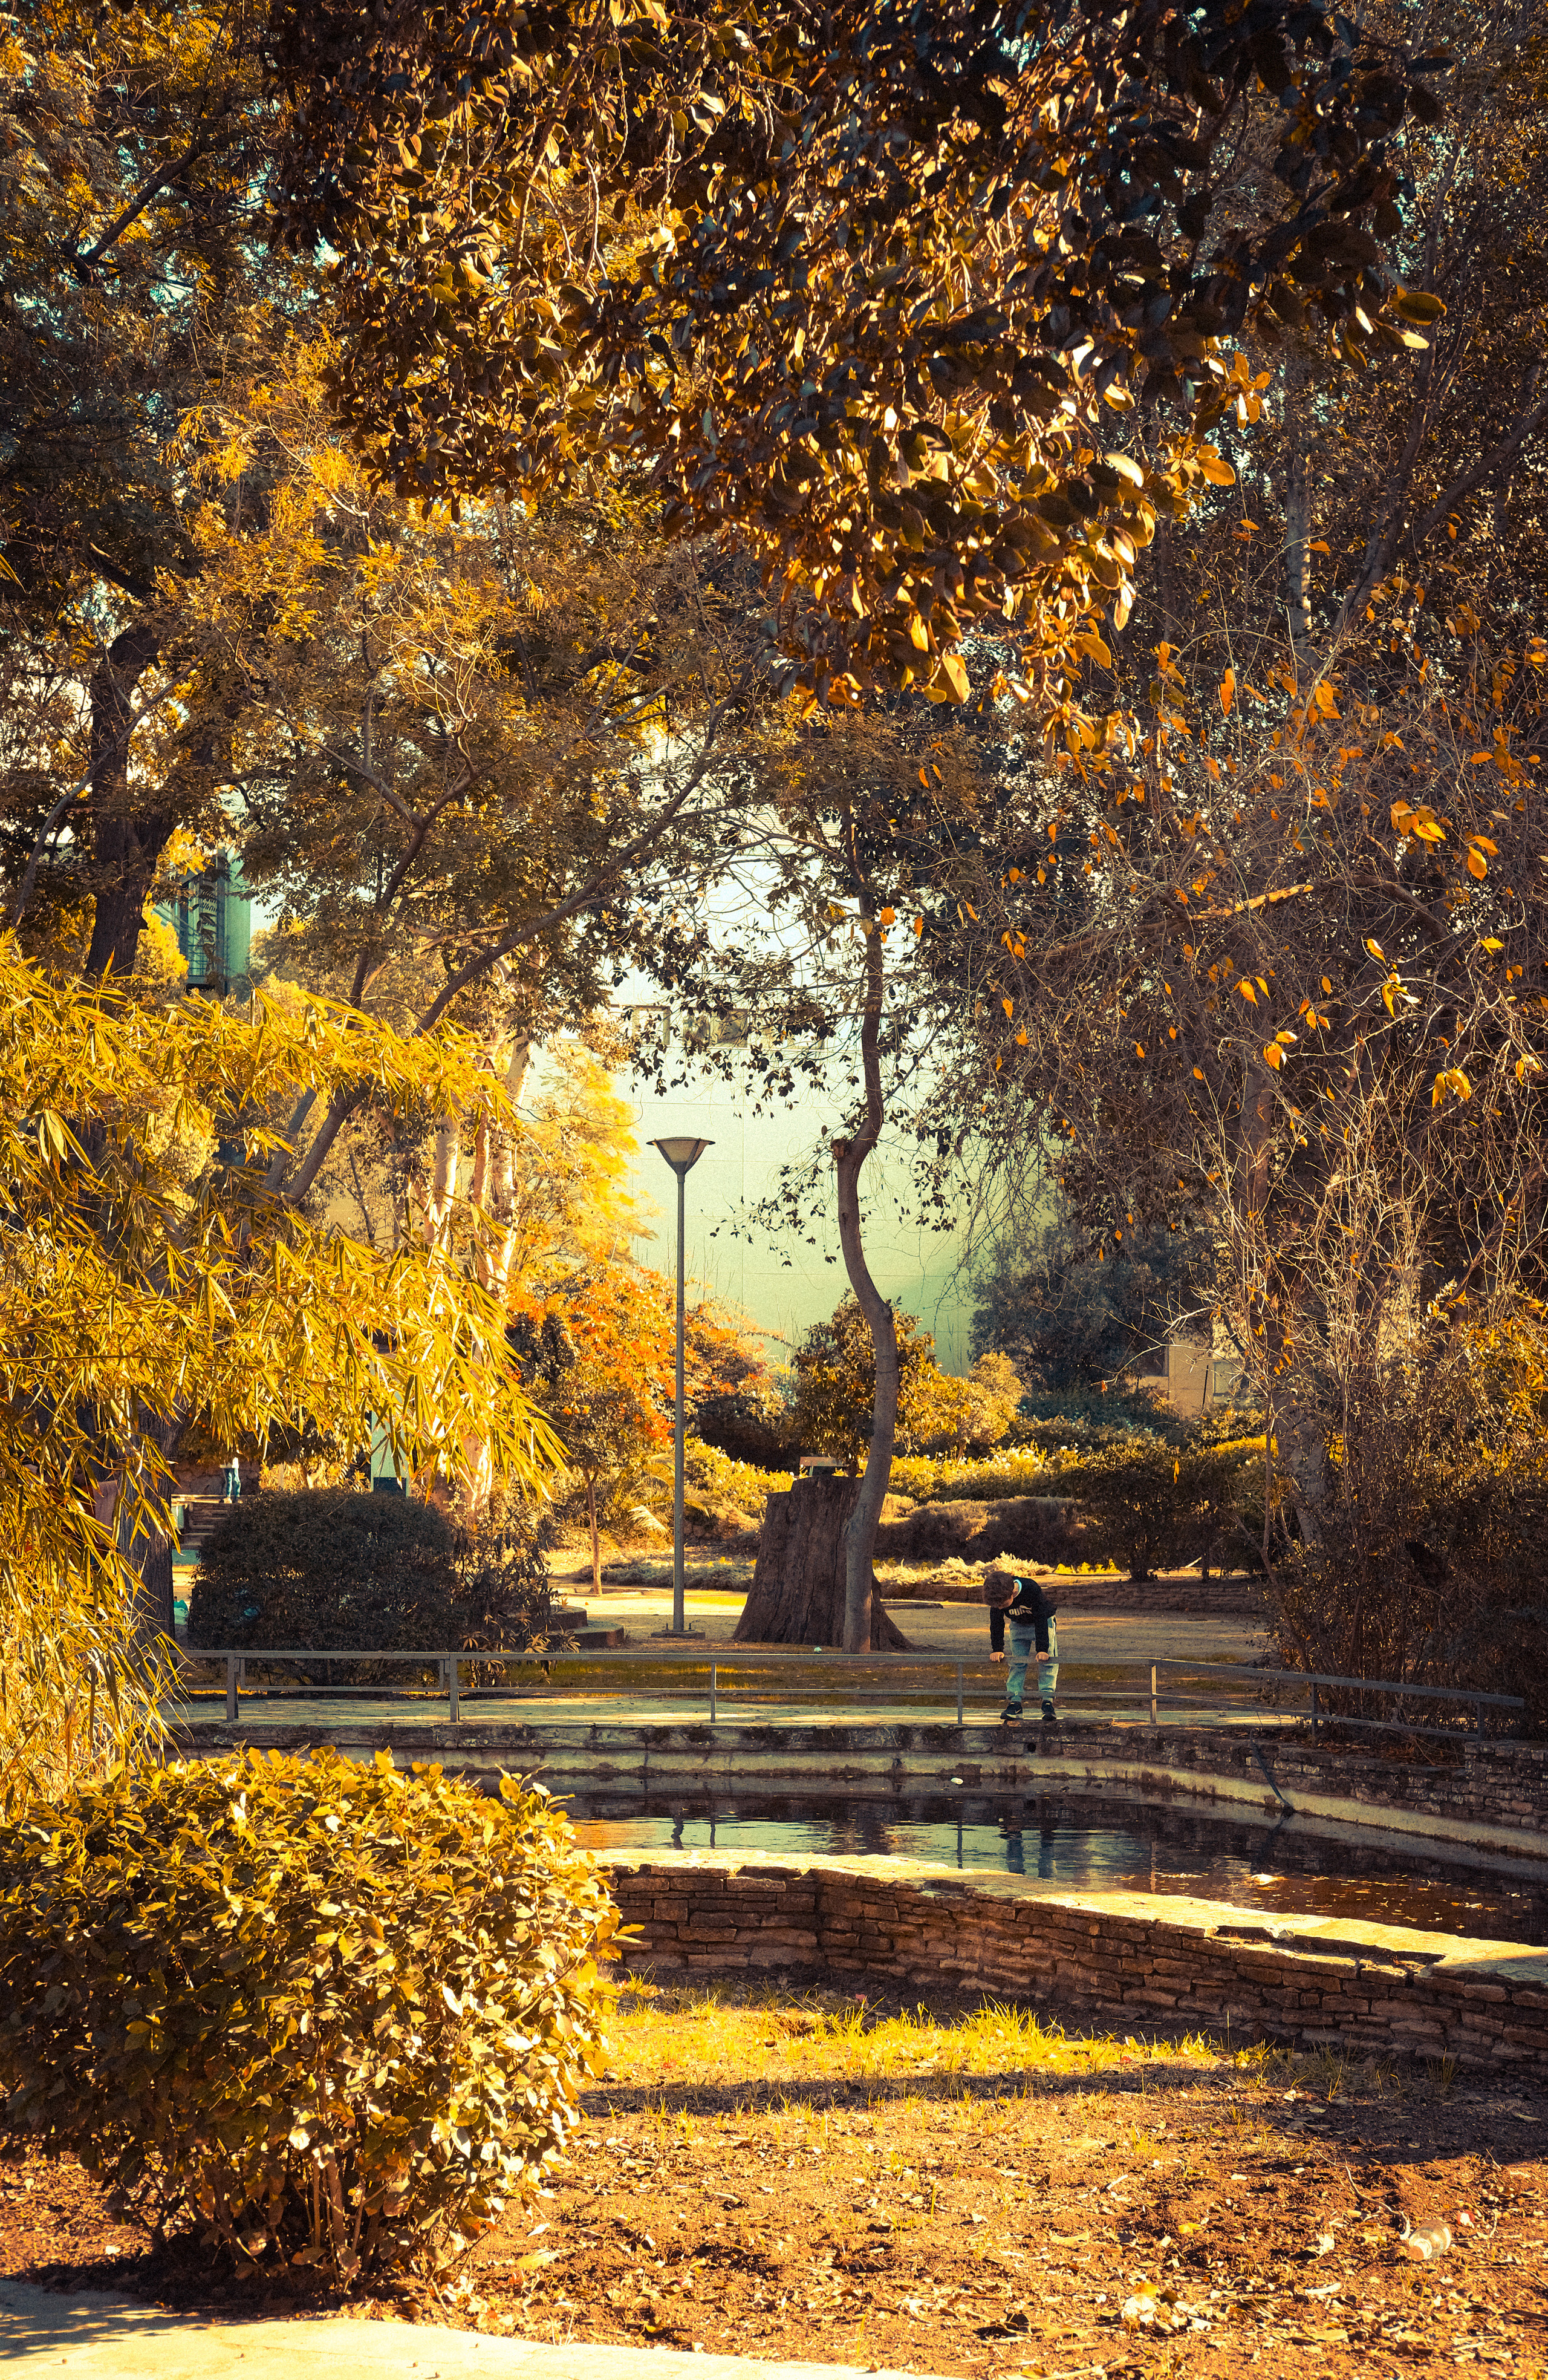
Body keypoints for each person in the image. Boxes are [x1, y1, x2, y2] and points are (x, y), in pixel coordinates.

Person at [983, 1564, 1059, 1725]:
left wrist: (1042, 1649)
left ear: (1012, 1593)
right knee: (1017, 1662)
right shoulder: (997, 1598)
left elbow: (1041, 1618)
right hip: (1018, 1626)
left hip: (1043, 1623)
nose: (1000, 1608)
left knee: (1048, 1663)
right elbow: (996, 1623)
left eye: (1003, 1605)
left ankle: (1047, 1701)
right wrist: (997, 1649)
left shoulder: (1031, 1589)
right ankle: (1015, 1702)